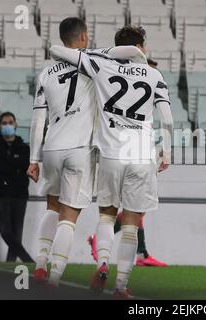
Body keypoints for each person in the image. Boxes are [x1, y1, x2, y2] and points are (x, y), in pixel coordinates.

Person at [50, 25, 173, 298]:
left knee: (107, 214)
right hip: (141, 157)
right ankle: (121, 287)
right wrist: (166, 152)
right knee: (131, 223)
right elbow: (168, 117)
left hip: (110, 155)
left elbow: (56, 50)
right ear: (141, 46)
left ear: (118, 47)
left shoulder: (101, 66)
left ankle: (103, 261)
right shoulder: (154, 74)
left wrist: (106, 53)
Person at [28, 17, 147, 286]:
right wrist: (139, 53)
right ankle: (54, 279)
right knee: (68, 219)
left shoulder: (46, 74)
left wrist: (33, 159)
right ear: (82, 38)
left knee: (51, 206)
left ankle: (39, 265)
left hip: (52, 148)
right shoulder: (95, 62)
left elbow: (38, 121)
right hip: (80, 149)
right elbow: (128, 52)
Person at [86, 57, 167, 268]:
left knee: (137, 209)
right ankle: (105, 242)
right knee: (133, 209)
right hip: (126, 152)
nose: (153, 75)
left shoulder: (137, 90)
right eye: (150, 69)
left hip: (128, 150)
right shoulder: (129, 88)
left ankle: (141, 253)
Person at [0, 112, 33, 262]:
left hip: (19, 194)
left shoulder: (24, 148)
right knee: (6, 231)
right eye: (4, 123)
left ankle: (10, 264)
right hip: (0, 193)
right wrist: (15, 168)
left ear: (16, 124)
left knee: (17, 232)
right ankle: (28, 260)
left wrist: (8, 166)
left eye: (10, 122)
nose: (8, 125)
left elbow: (24, 166)